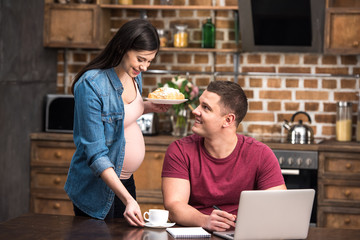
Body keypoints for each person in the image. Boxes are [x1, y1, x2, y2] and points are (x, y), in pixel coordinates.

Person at [64, 19, 170, 226]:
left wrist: (148, 106)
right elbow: (95, 153)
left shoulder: (134, 75)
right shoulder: (91, 84)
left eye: (150, 61)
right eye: (141, 59)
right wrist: (128, 199)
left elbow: (123, 116)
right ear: (123, 46)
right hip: (98, 186)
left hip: (125, 180)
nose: (145, 67)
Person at [161, 80, 286, 232]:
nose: (195, 111)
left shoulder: (261, 154)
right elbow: (174, 207)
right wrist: (206, 220)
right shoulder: (179, 150)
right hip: (195, 232)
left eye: (205, 108)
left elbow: (278, 207)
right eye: (200, 104)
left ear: (228, 120)